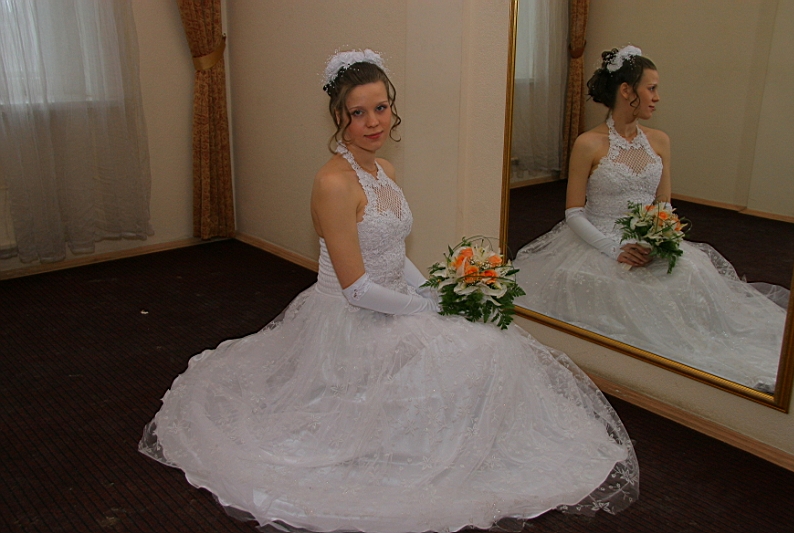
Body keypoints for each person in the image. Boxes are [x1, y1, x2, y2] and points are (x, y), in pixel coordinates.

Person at [139, 49, 638, 533]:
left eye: (381, 108)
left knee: (486, 345)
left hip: (395, 300)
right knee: (470, 352)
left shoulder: (384, 171)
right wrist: (422, 307)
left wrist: (436, 290)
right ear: (338, 117)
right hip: (353, 318)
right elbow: (357, 288)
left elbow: (392, 253)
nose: (373, 122)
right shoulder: (333, 183)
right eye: (358, 113)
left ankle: (460, 443)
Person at [513, 46, 786, 393]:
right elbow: (573, 213)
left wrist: (660, 239)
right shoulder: (588, 143)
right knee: (624, 294)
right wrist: (614, 249)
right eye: (651, 88)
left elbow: (664, 204)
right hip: (599, 239)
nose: (657, 98)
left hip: (649, 239)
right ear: (627, 90)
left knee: (691, 276)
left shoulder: (660, 141)